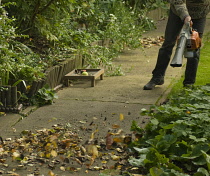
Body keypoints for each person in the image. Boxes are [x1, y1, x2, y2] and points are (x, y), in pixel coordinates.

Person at [143, 0, 210, 90]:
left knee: (194, 47)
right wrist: (185, 15)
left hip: (200, 14)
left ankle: (189, 83)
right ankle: (157, 77)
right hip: (177, 12)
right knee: (168, 43)